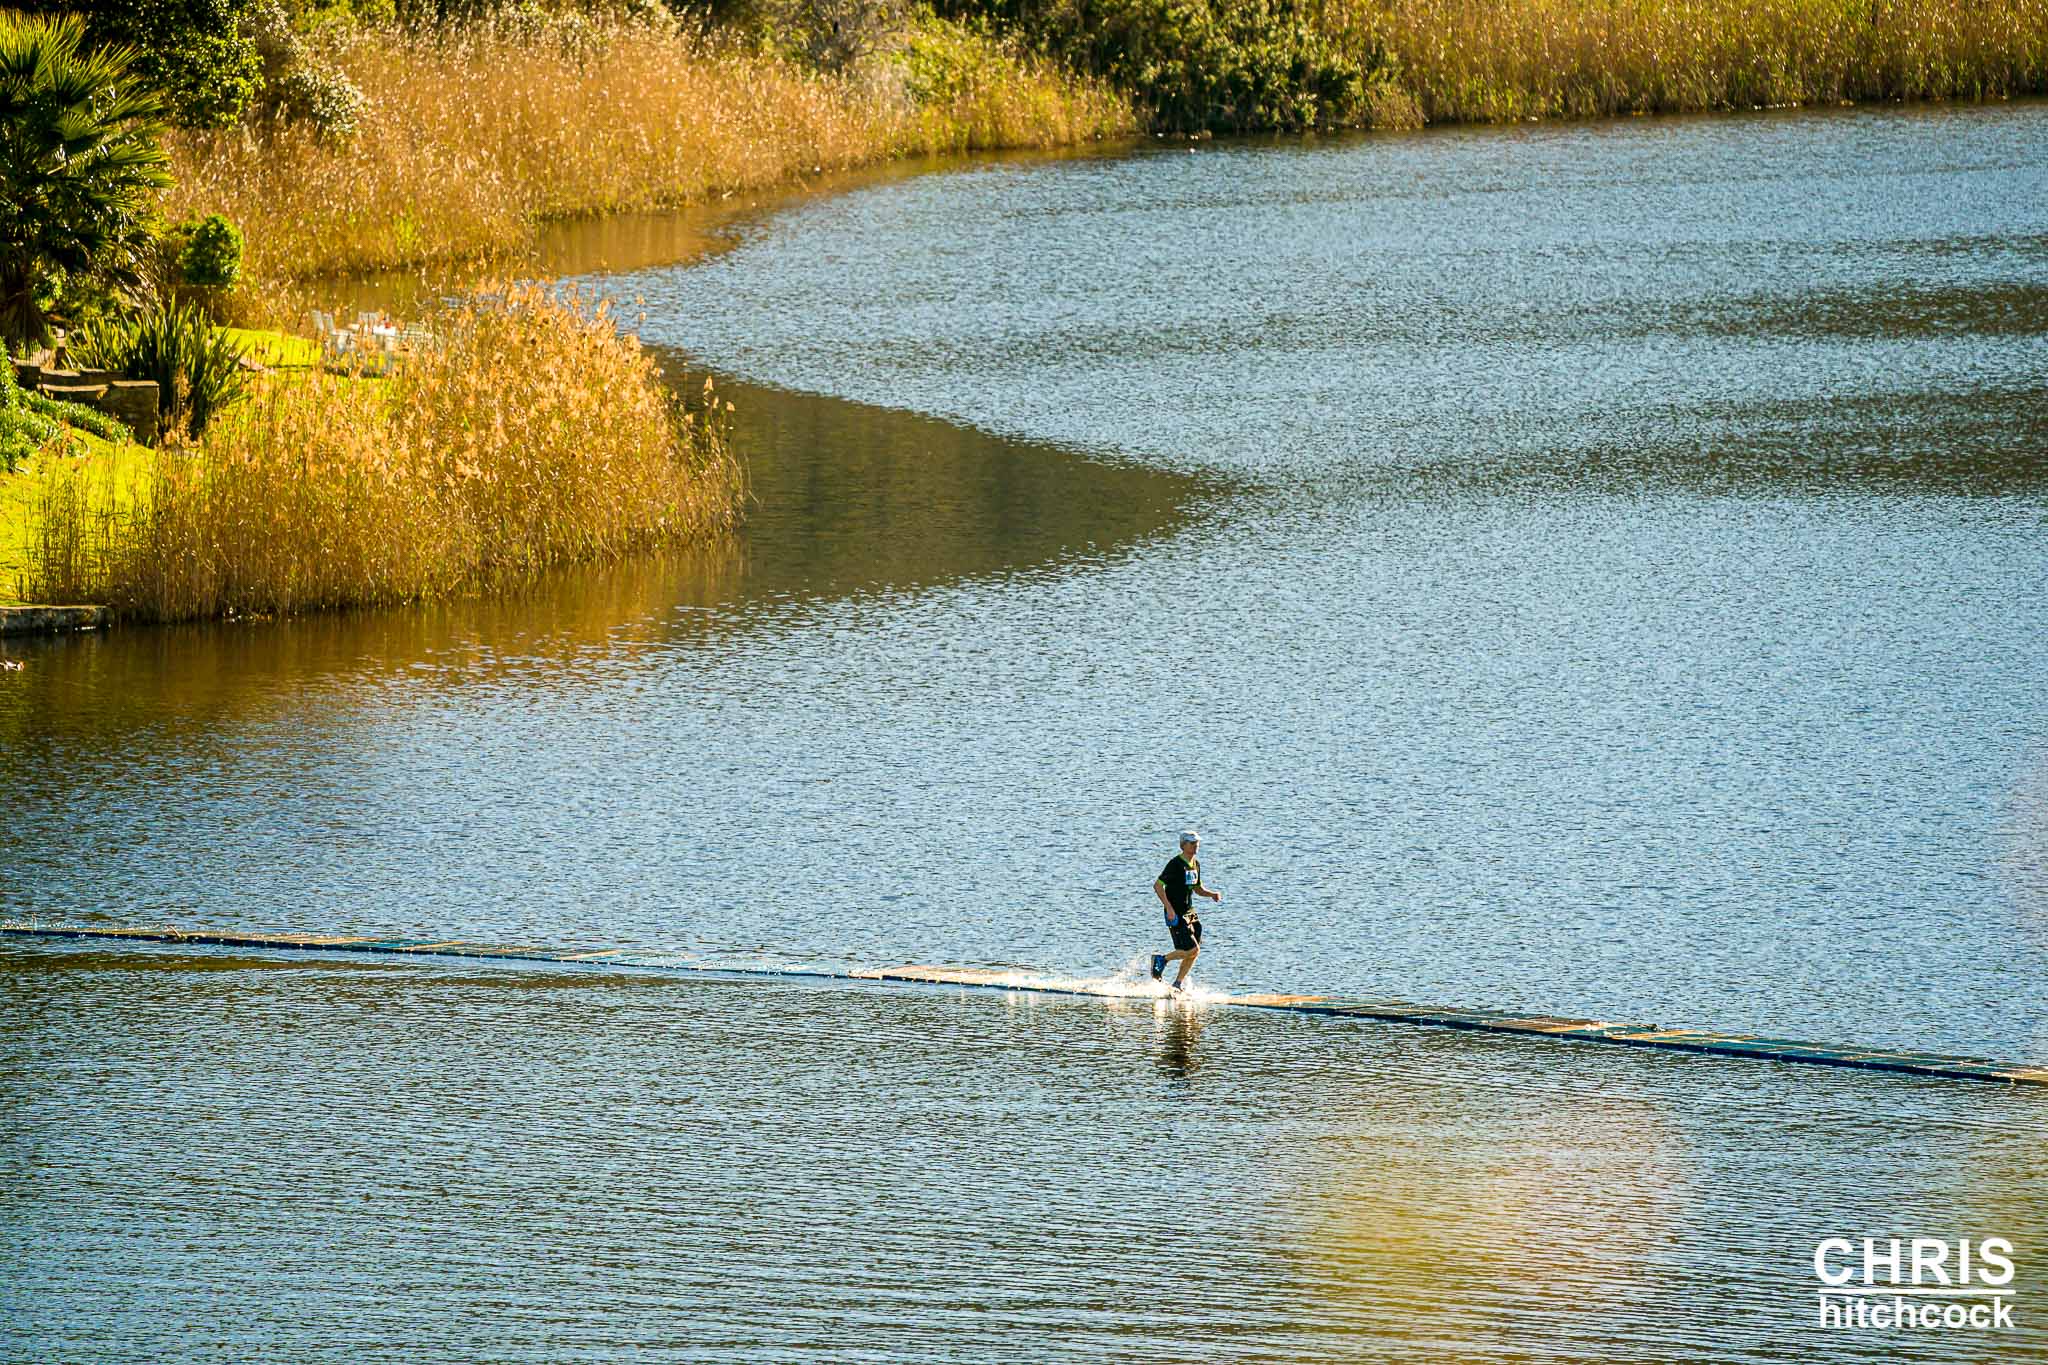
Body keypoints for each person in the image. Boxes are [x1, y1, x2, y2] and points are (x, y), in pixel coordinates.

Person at [1151, 830, 1221, 991]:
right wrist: (1169, 908)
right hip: (1175, 912)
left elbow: (1197, 888)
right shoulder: (1175, 864)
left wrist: (1211, 894)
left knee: (1194, 952)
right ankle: (1161, 959)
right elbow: (1158, 886)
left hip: (1190, 912)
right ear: (1183, 845)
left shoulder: (1195, 864)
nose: (1195, 846)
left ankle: (1177, 984)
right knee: (1191, 949)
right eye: (1191, 843)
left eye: (1197, 843)